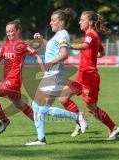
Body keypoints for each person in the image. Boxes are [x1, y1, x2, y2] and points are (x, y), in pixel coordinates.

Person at [25, 8, 87, 146]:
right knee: (36, 106)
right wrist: (42, 40)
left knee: (43, 109)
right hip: (50, 73)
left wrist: (50, 63)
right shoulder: (58, 35)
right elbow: (54, 48)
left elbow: (64, 54)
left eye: (53, 20)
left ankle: (77, 116)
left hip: (55, 74)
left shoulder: (63, 34)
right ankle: (41, 139)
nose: (50, 22)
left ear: (61, 22)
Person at [61, 11, 119, 140]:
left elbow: (85, 45)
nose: (79, 22)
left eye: (82, 20)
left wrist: (68, 45)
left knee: (91, 107)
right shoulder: (93, 36)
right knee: (64, 97)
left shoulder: (91, 35)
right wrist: (92, 56)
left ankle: (113, 128)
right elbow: (102, 52)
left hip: (89, 77)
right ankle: (79, 119)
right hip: (82, 76)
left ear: (90, 22)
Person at [0, 19, 43, 134]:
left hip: (13, 82)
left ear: (18, 31)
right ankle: (40, 126)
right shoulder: (5, 46)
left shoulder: (21, 45)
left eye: (11, 31)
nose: (9, 33)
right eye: (7, 31)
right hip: (9, 82)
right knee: (21, 105)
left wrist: (43, 69)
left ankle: (4, 120)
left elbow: (36, 54)